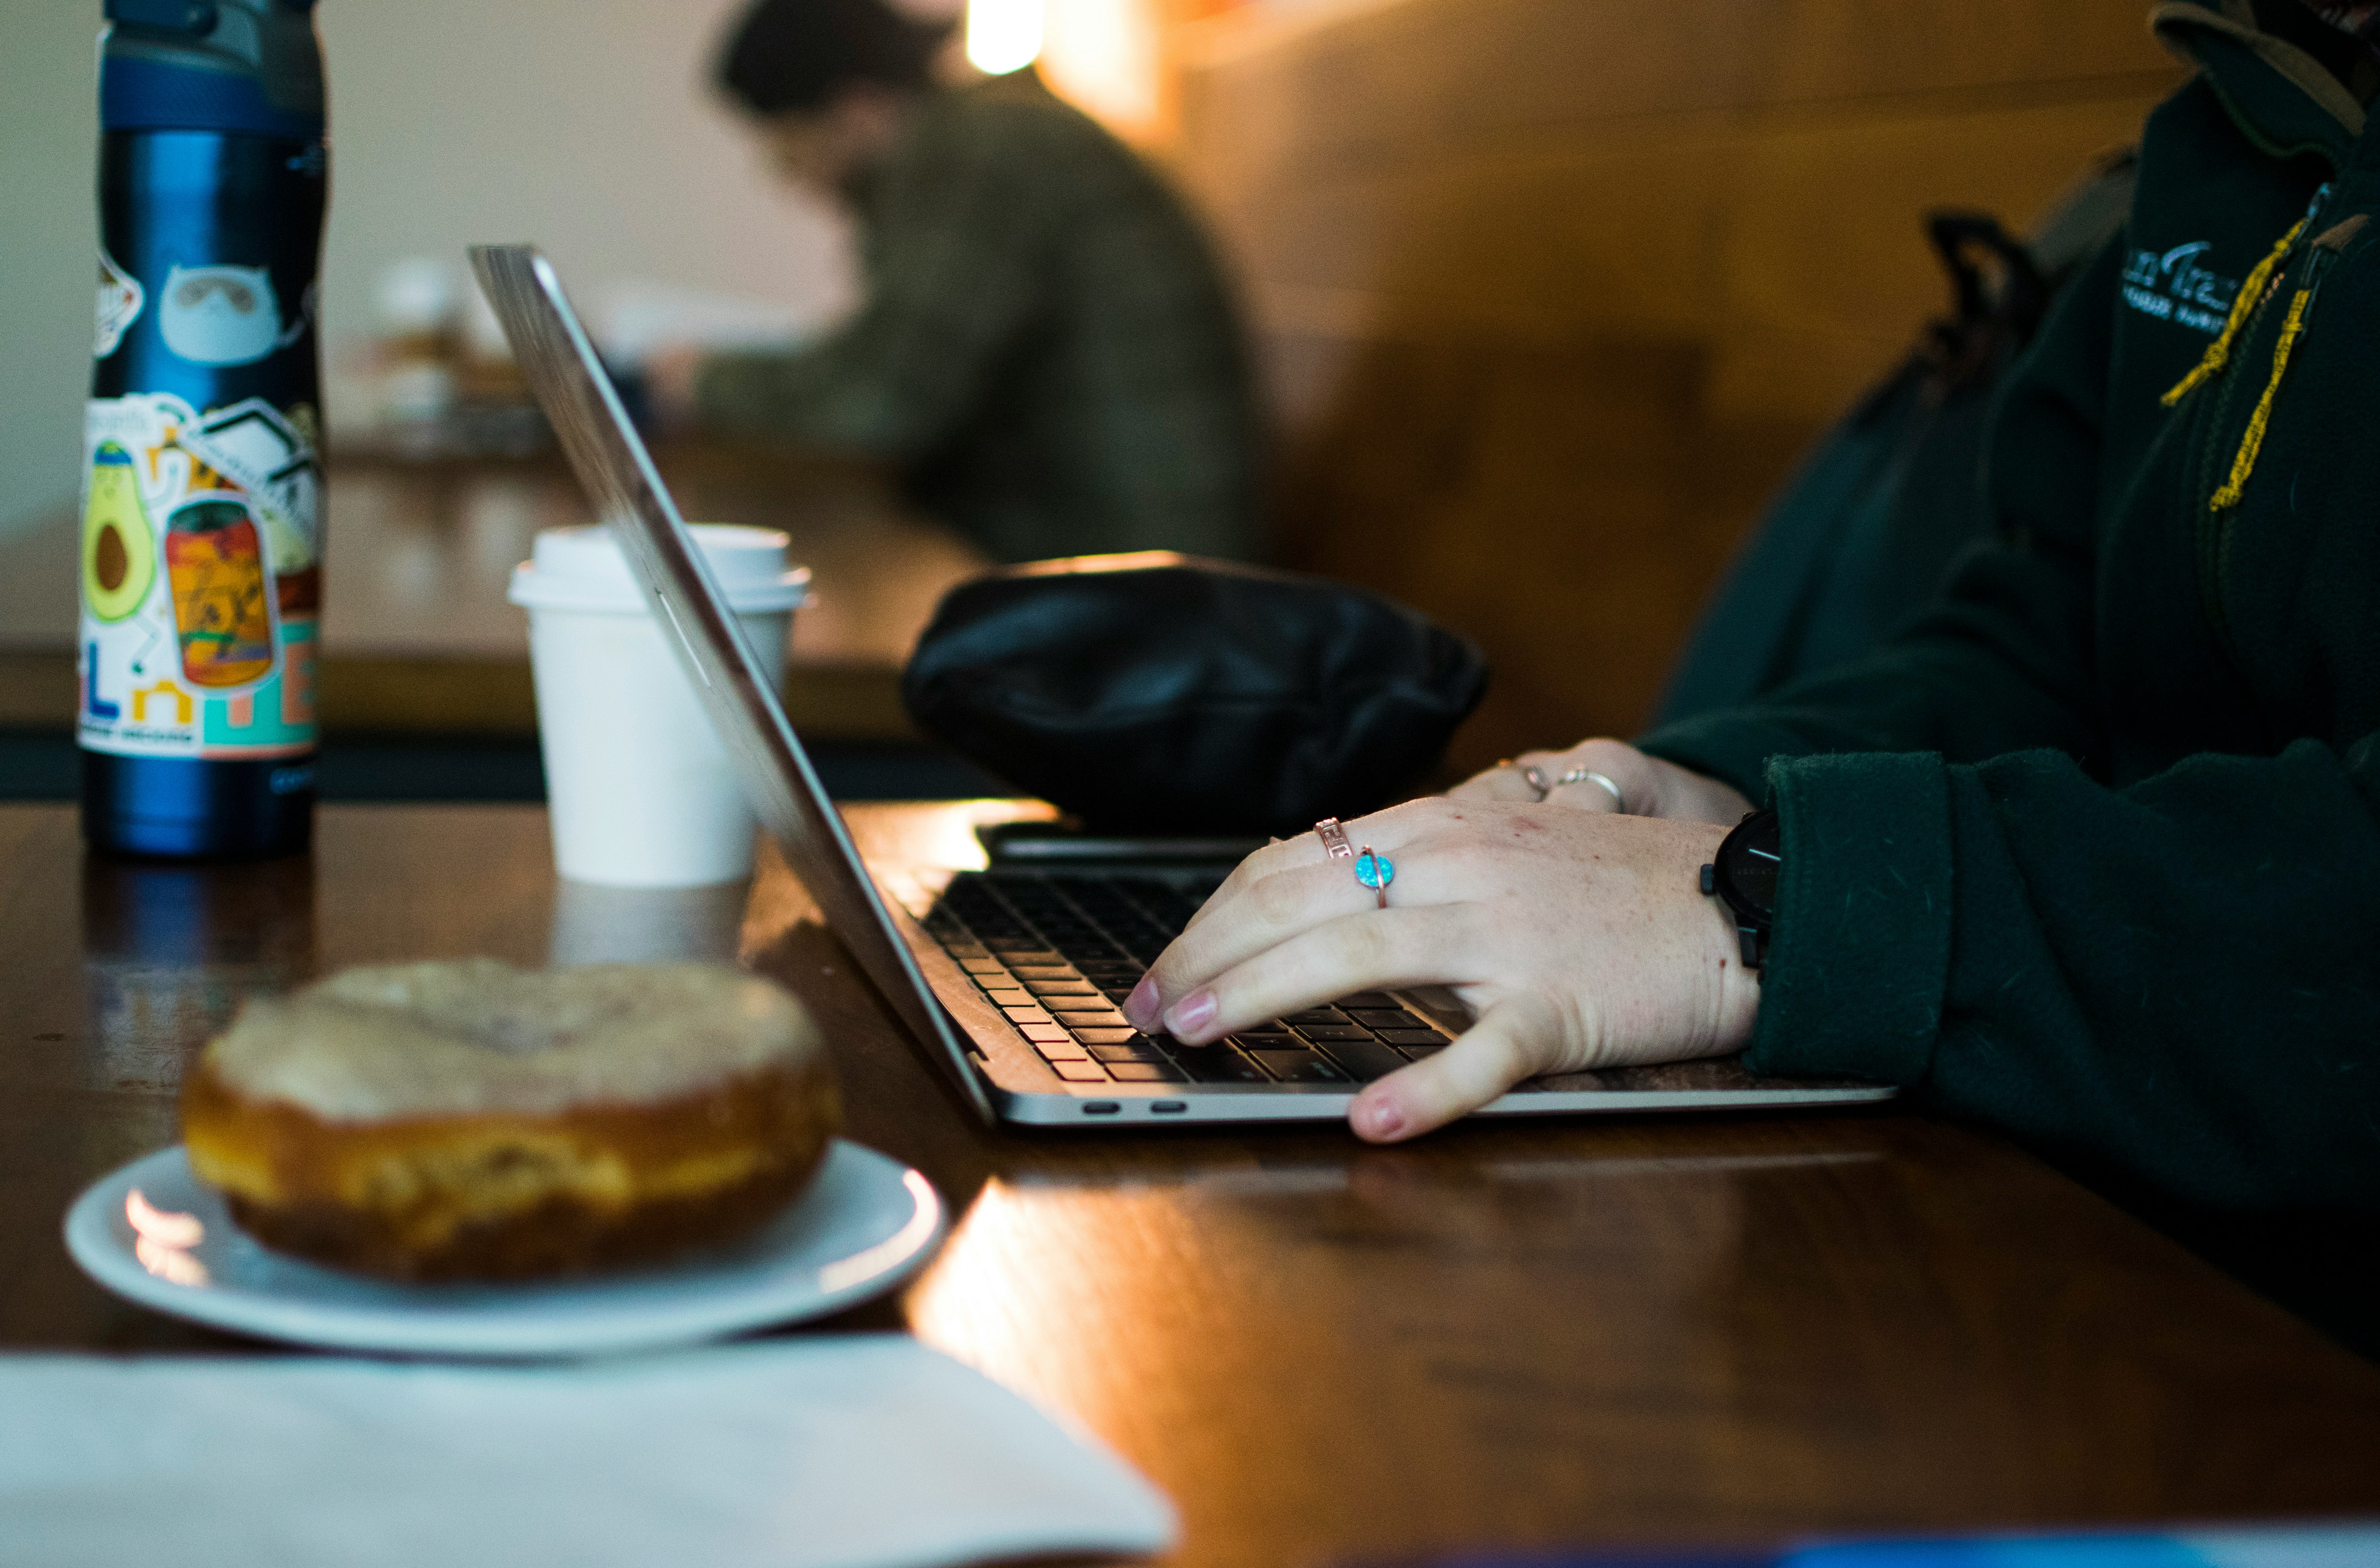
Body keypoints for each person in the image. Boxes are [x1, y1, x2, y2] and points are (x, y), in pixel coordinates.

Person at [1123, 0, 2380, 1349]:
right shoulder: (2246, 112)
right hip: (2101, 1185)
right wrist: (1705, 787)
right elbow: (2043, 643)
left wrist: (1781, 908)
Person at [660, 0, 1266, 565]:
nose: (791, 180)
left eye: (789, 144)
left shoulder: (980, 152)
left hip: (1144, 575)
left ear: (857, 110)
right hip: (1122, 546)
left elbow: (876, 404)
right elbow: (887, 365)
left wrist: (699, 381)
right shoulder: (987, 136)